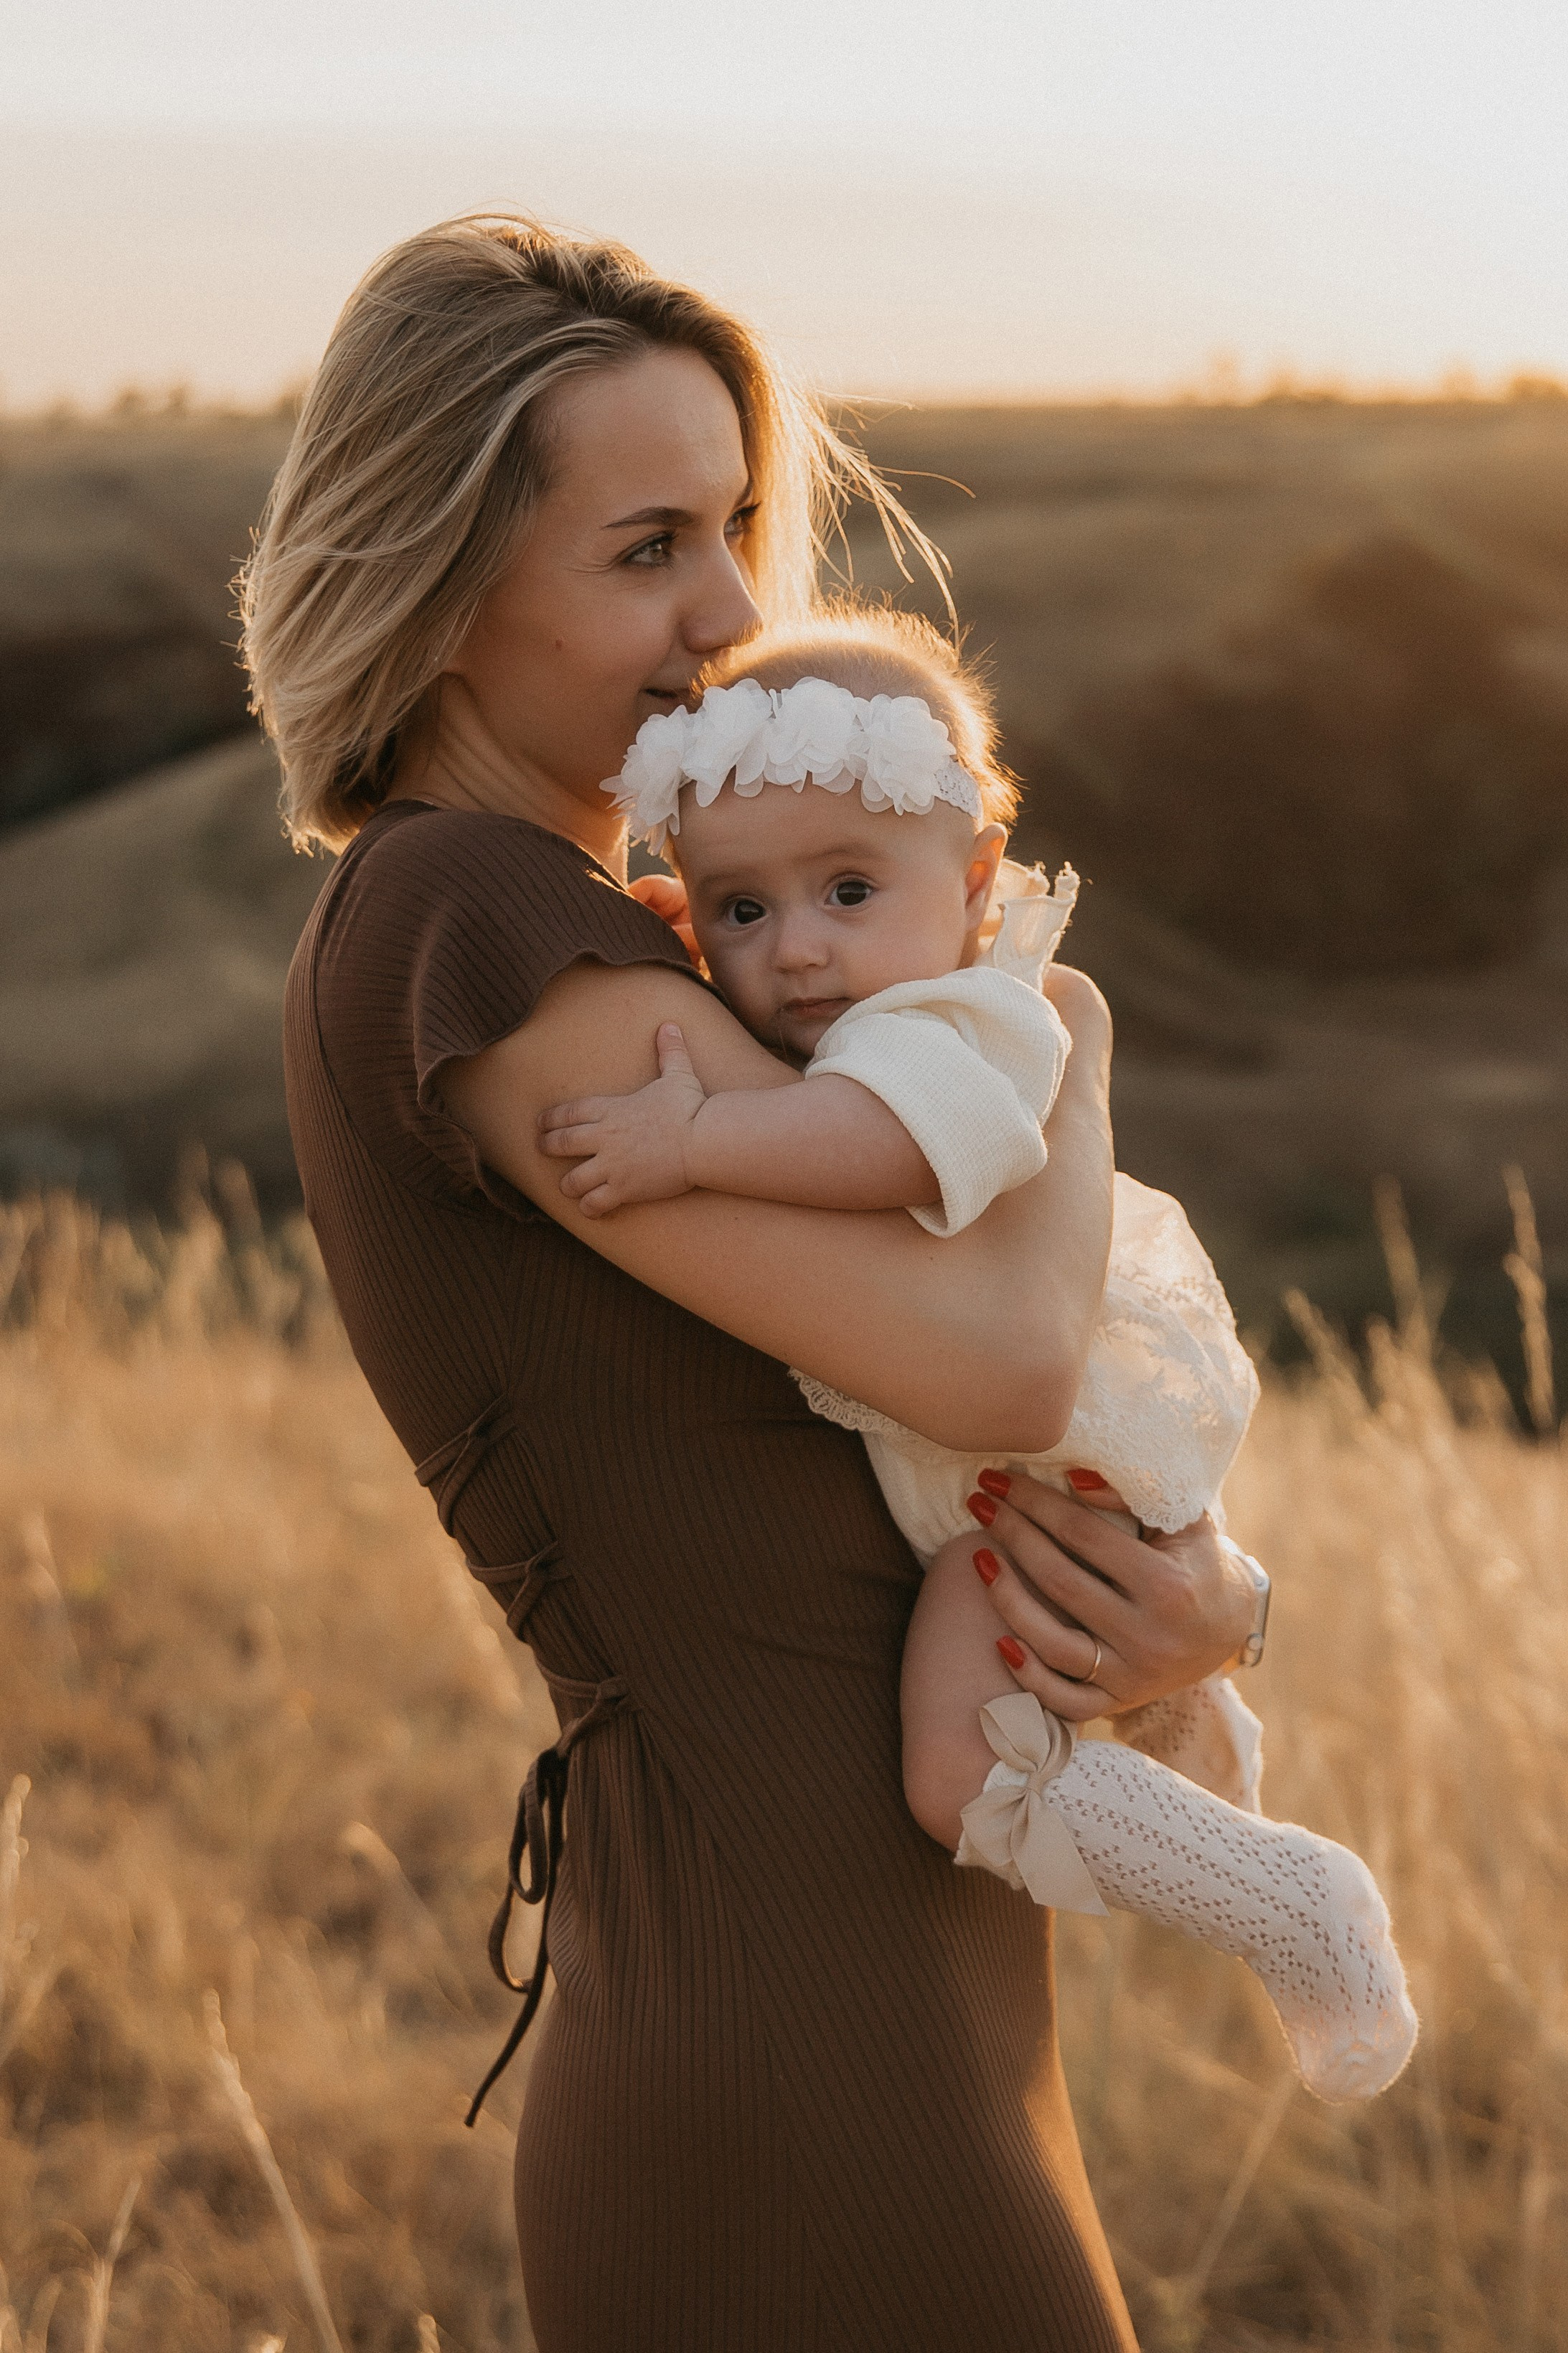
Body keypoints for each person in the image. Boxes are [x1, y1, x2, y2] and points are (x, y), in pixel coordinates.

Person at [245, 212, 1261, 2353]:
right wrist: (1054, 1036)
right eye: (646, 549)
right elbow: (997, 1349)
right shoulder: (481, 931)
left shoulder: (631, 934)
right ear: (437, 578)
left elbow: (941, 1441)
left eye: (732, 527)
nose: (728, 620)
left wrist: (1213, 1602)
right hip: (790, 2016)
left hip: (868, 1963)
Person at [545, 609, 1418, 2103]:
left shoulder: (972, 1018)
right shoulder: (889, 997)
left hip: (1034, 1449)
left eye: (844, 889)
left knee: (955, 1772)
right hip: (1030, 1456)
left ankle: (1290, 1894)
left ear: (973, 885)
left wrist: (689, 1134)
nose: (798, 946)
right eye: (740, 911)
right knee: (1064, 1699)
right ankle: (1209, 1777)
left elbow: (883, 1142)